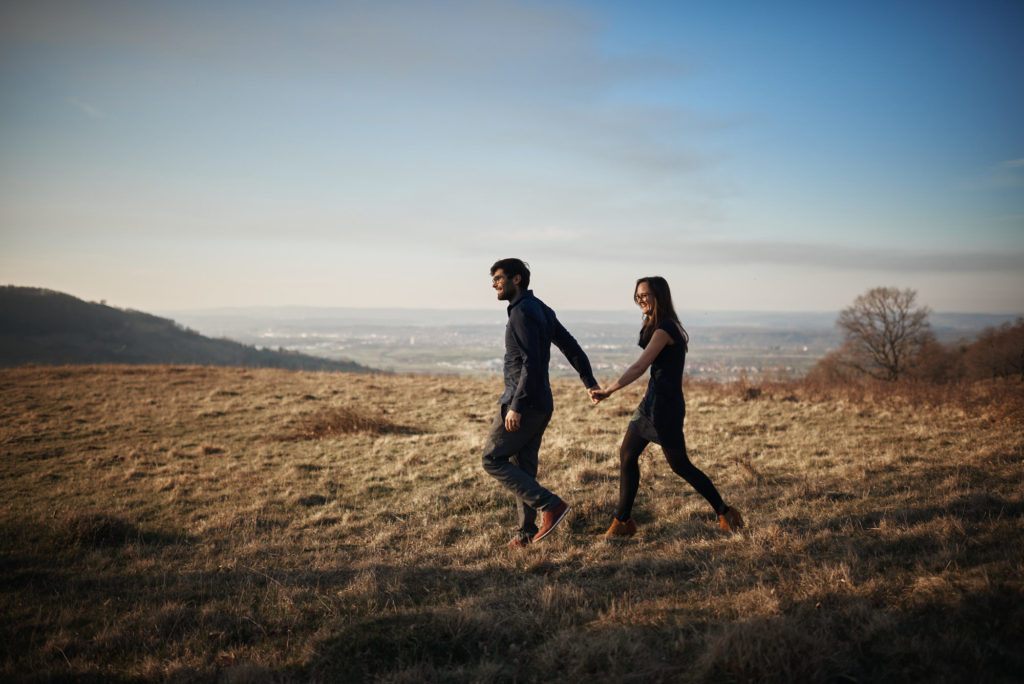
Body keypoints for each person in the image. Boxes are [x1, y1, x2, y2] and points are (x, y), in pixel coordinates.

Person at [589, 276, 743, 537]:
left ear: (659, 296)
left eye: (645, 295)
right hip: (652, 403)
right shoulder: (658, 325)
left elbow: (640, 366)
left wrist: (609, 390)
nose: (640, 300)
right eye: (637, 296)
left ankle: (725, 512)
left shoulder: (665, 330)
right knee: (627, 454)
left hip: (665, 408)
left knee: (680, 465)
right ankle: (622, 522)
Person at [482, 258, 600, 548]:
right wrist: (589, 381)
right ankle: (525, 534)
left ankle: (551, 505)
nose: (494, 284)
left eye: (498, 278)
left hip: (524, 402)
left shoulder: (521, 312)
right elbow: (571, 346)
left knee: (492, 459)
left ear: (517, 279)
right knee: (522, 467)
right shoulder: (541, 308)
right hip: (542, 403)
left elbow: (530, 364)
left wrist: (516, 406)